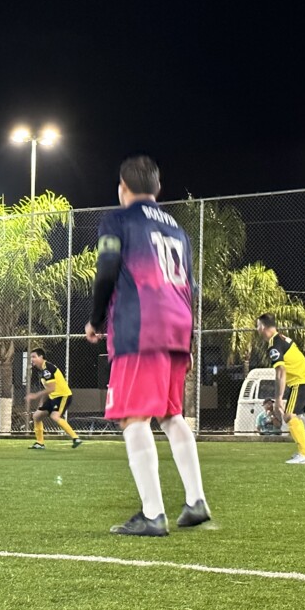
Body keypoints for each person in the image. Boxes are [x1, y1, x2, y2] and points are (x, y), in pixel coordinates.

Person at [85, 155, 210, 536]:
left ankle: (153, 514)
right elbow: (189, 286)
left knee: (133, 416)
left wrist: (96, 320)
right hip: (178, 329)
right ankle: (196, 500)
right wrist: (187, 337)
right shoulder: (178, 230)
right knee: (171, 414)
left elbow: (107, 269)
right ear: (158, 189)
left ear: (122, 188)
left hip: (141, 328)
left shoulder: (118, 220)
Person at [256, 313, 305, 464]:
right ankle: (303, 452)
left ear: (263, 327)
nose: (257, 329)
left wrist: (278, 399)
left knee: (289, 415)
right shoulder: (281, 338)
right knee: (292, 416)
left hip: (301, 381)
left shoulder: (274, 344)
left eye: (257, 326)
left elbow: (281, 372)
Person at [26, 349, 82, 450]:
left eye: (34, 357)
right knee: (37, 416)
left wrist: (35, 395)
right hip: (53, 397)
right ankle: (40, 443)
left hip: (62, 396)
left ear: (41, 357)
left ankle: (75, 438)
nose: (32, 359)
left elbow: (52, 388)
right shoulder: (42, 370)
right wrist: (41, 404)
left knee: (54, 416)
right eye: (31, 357)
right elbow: (47, 389)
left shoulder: (47, 369)